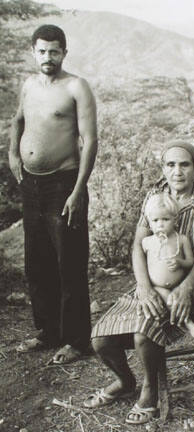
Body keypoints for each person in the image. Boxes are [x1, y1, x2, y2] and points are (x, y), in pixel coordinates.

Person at [83, 141, 194, 425]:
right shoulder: (154, 196)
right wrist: (143, 287)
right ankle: (125, 381)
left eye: (185, 164)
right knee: (100, 340)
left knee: (143, 334)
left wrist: (185, 288)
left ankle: (150, 391)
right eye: (170, 164)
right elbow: (137, 246)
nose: (178, 171)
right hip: (152, 283)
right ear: (163, 168)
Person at [9, 24, 98, 364]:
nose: (48, 57)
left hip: (64, 183)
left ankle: (77, 341)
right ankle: (47, 332)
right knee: (37, 263)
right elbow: (18, 121)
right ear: (34, 51)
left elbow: (90, 140)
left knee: (70, 264)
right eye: (42, 51)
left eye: (55, 51)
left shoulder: (76, 87)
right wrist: (14, 156)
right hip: (31, 185)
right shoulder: (29, 85)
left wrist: (78, 190)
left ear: (64, 52)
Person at [143, 192, 194, 338]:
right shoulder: (147, 242)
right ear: (149, 222)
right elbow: (141, 265)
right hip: (158, 287)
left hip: (180, 283)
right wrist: (142, 284)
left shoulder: (181, 239)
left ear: (175, 220)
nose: (160, 224)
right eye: (155, 220)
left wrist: (180, 262)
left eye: (165, 219)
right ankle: (189, 323)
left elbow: (191, 262)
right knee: (169, 299)